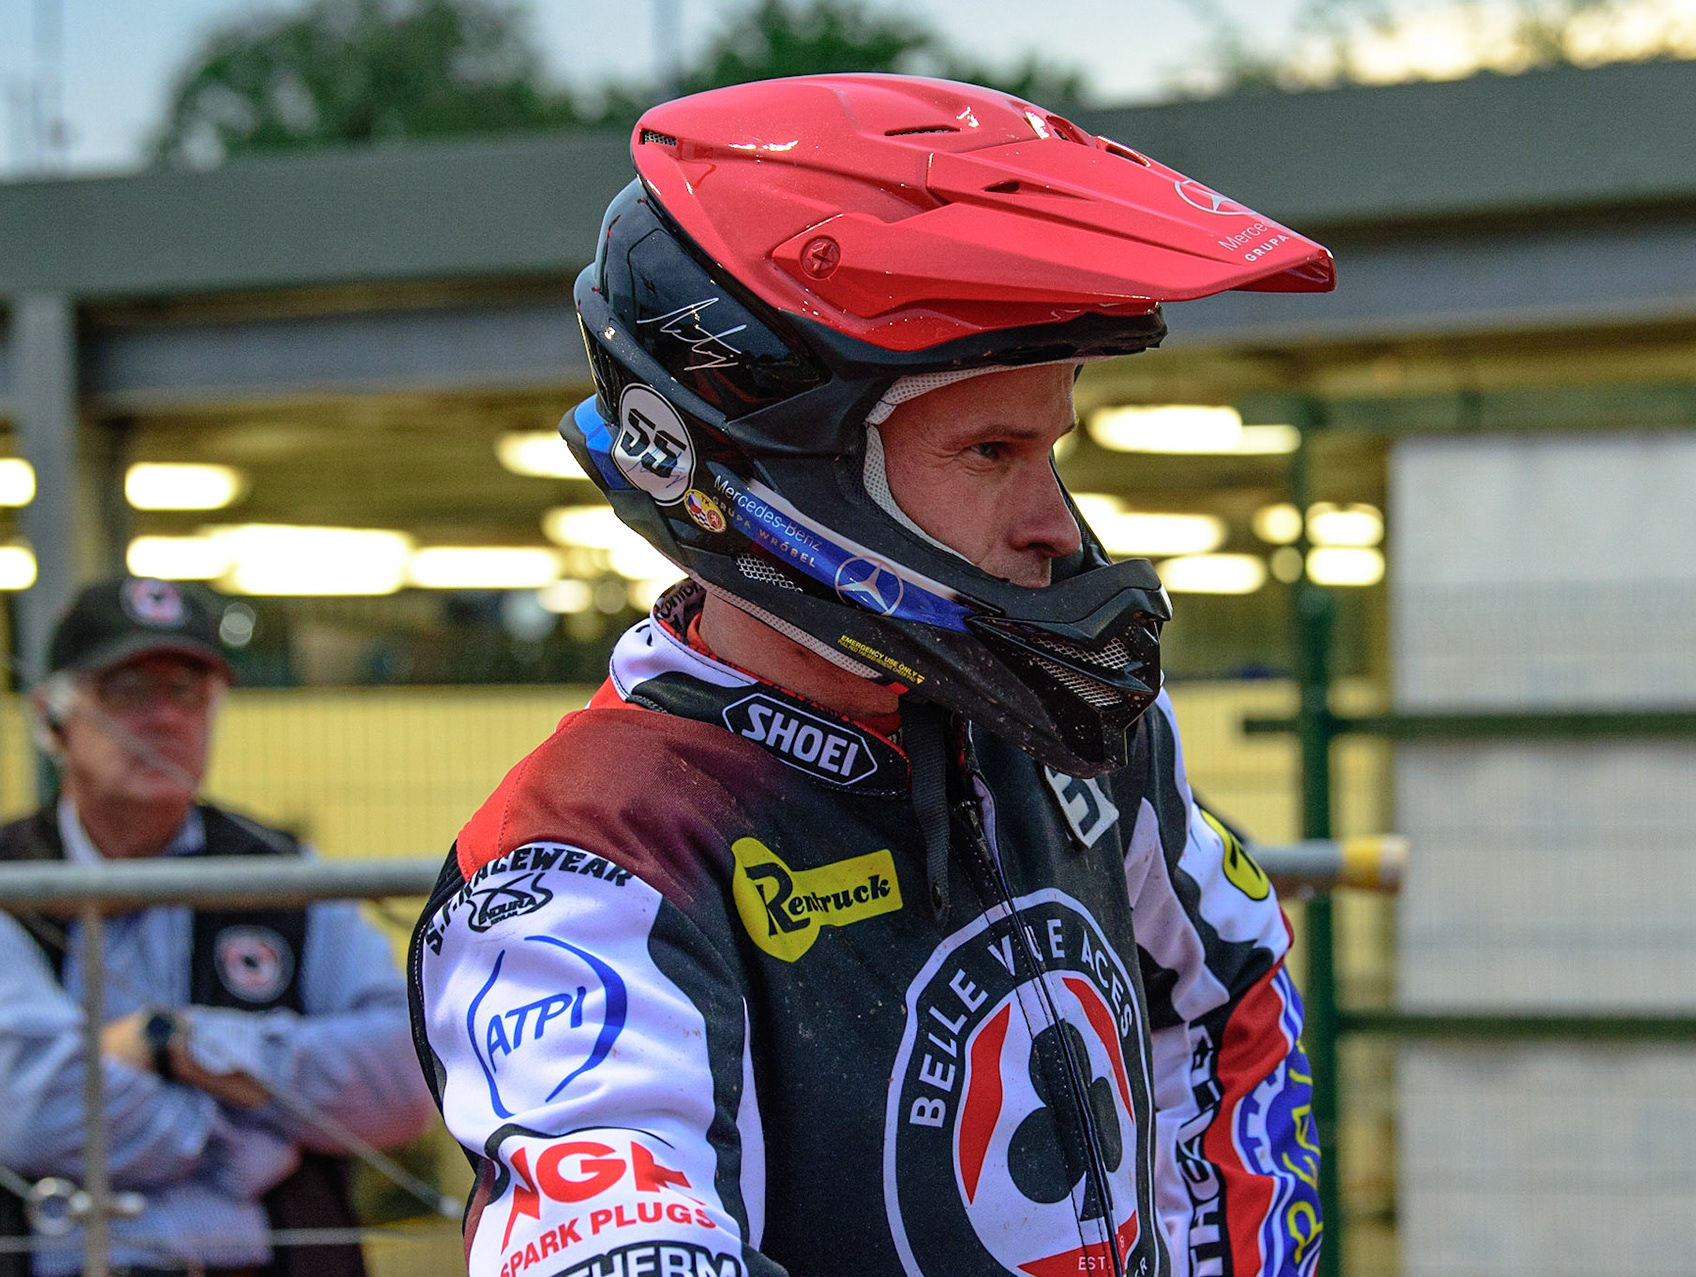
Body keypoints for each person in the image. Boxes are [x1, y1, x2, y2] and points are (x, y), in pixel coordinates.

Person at [410, 74, 1337, 1277]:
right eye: (991, 450)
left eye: (1050, 445)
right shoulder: (591, 855)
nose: (1055, 520)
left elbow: (1228, 1005)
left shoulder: (1074, 727)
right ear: (792, 465)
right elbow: (619, 1234)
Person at [0, 577, 437, 1277]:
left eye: (188, 691)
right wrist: (248, 1136)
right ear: (51, 719)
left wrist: (179, 1042)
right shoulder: (11, 879)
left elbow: (405, 1080)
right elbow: (28, 1107)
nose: (164, 718)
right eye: (128, 691)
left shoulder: (285, 873)